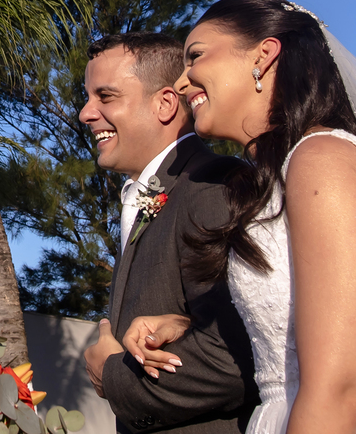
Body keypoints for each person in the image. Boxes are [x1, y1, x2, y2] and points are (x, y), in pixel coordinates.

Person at [132, 0, 356, 434]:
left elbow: (341, 393)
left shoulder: (323, 160)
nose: (183, 83)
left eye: (196, 57)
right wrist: (186, 322)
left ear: (264, 55)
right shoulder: (284, 178)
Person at [79, 33, 258, 433]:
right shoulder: (157, 190)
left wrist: (113, 375)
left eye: (105, 97)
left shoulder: (214, 186)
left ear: (164, 103)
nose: (85, 113)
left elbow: (231, 357)